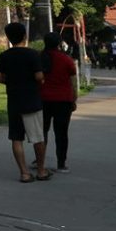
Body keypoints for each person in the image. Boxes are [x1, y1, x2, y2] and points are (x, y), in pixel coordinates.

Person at [0, 22, 50, 182]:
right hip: (31, 99)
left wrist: (11, 81)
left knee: (16, 138)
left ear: (8, 38)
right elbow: (39, 76)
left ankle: (24, 172)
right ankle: (41, 170)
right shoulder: (32, 54)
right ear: (25, 36)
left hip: (14, 99)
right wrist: (40, 80)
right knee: (37, 137)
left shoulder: (4, 56)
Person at [39, 32, 77, 173]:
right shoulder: (66, 59)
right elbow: (73, 81)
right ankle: (61, 163)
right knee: (61, 133)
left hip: (43, 99)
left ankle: (40, 160)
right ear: (59, 43)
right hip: (63, 100)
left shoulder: (40, 58)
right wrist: (74, 98)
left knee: (42, 131)